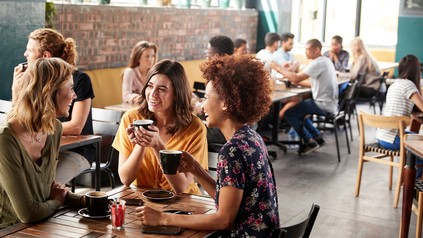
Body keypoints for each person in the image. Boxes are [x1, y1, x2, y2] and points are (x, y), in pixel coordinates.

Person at [136, 55, 279, 237]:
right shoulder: (252, 138)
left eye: (206, 97)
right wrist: (196, 169)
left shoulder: (232, 151)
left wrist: (163, 219)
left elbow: (224, 220)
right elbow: (229, 200)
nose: (202, 105)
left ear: (226, 103)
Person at [0, 58, 84, 228]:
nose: (75, 95)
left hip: (41, 224)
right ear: (50, 92)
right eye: (71, 88)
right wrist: (57, 201)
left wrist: (86, 200)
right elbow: (28, 214)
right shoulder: (5, 139)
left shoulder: (54, 129)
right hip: (10, 230)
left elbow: (49, 192)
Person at [112, 59, 208, 195]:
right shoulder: (131, 118)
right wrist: (142, 142)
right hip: (142, 201)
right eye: (150, 86)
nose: (152, 94)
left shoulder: (195, 127)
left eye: (162, 89)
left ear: (176, 94)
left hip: (182, 204)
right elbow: (126, 179)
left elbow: (180, 187)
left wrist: (158, 146)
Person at [14, 28, 95, 184]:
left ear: (45, 56)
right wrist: (17, 88)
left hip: (76, 151)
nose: (25, 55)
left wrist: (38, 130)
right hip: (44, 149)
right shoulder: (34, 79)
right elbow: (22, 119)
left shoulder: (80, 79)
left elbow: (76, 127)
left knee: (46, 185)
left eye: (29, 51)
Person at [271, 39, 338, 154]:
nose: (305, 52)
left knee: (289, 112)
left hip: (323, 104)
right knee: (300, 110)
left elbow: (296, 77)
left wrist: (278, 68)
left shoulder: (318, 63)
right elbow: (312, 83)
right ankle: (317, 137)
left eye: (307, 49)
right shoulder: (326, 61)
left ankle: (309, 141)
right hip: (330, 103)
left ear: (317, 50)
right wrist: (297, 83)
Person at [376, 54, 423, 178]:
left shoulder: (394, 84)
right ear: (416, 71)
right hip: (393, 139)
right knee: (420, 149)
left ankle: (408, 183)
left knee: (418, 140)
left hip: (382, 136)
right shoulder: (409, 85)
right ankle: (413, 187)